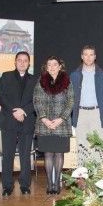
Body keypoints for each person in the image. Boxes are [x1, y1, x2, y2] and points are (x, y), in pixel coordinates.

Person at [0, 51, 37, 196]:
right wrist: (15, 112)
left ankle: (25, 185)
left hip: (27, 122)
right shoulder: (6, 76)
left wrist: (23, 111)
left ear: (28, 63)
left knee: (25, 155)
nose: (22, 63)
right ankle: (7, 186)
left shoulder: (35, 79)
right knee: (7, 155)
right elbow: (2, 97)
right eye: (19, 60)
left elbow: (36, 100)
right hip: (9, 121)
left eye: (25, 60)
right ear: (15, 62)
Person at [33, 57, 74, 195]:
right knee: (48, 154)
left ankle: (57, 182)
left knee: (59, 154)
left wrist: (61, 119)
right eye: (49, 64)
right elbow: (37, 101)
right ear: (46, 67)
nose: (52, 67)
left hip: (61, 124)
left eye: (54, 64)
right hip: (44, 124)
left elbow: (70, 102)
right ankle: (49, 183)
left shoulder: (67, 81)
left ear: (60, 66)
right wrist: (44, 119)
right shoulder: (40, 82)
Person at [70, 45, 103, 164]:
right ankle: (83, 180)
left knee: (97, 147)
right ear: (82, 57)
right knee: (82, 146)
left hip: (97, 113)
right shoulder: (74, 75)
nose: (88, 57)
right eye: (85, 54)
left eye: (91, 54)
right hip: (80, 113)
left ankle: (96, 179)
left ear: (95, 57)